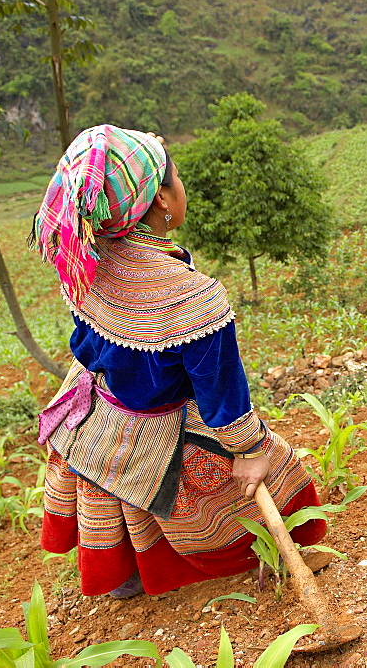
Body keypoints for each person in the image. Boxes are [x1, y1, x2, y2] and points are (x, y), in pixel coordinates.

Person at [32, 125, 326, 598]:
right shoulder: (193, 299)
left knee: (110, 487)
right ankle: (247, 555)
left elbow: (86, 343)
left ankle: (124, 578)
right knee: (260, 468)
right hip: (157, 414)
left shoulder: (83, 257)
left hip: (95, 406)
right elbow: (222, 396)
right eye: (178, 179)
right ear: (164, 199)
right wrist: (250, 451)